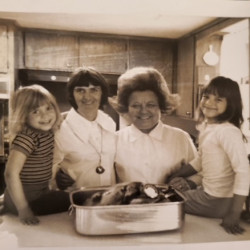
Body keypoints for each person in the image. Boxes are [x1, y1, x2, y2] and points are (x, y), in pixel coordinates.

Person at [168, 76, 250, 234]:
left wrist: (234, 213)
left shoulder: (228, 131)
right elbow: (200, 161)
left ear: (231, 104)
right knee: (169, 193)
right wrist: (175, 175)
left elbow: (243, 171)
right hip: (212, 198)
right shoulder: (209, 129)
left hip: (216, 201)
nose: (209, 103)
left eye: (218, 99)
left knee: (166, 200)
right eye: (206, 96)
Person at [114, 66, 199, 186]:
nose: (143, 111)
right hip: (128, 204)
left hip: (170, 204)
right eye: (136, 105)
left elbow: (200, 172)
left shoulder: (181, 138)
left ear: (161, 106)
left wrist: (189, 183)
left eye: (151, 105)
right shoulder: (114, 140)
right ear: (126, 108)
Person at [1, 85, 70, 225]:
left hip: (40, 193)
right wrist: (23, 209)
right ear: (23, 115)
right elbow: (10, 173)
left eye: (48, 108)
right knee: (72, 199)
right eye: (35, 111)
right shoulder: (27, 138)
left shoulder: (47, 131)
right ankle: (10, 205)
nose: (45, 116)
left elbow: (59, 117)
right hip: (26, 199)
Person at [52, 67, 116, 190]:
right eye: (80, 90)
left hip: (109, 199)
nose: (87, 97)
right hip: (76, 199)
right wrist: (56, 177)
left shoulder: (109, 123)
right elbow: (49, 171)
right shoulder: (60, 129)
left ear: (102, 93)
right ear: (72, 94)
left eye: (94, 90)